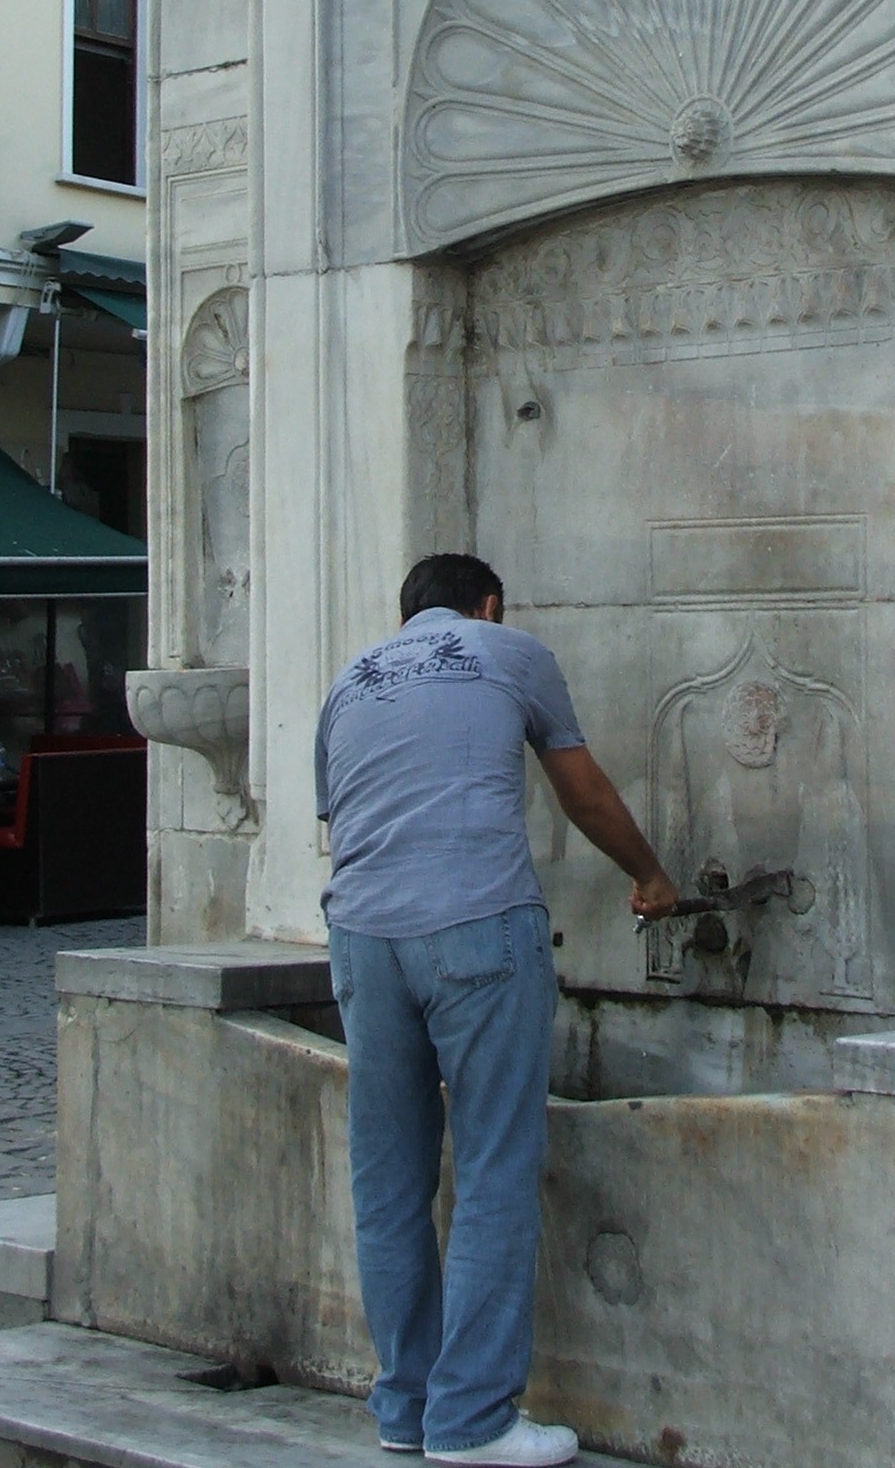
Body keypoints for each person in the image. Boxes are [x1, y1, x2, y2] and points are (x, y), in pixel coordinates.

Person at [315, 553, 678, 1468]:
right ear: (485, 605)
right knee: (492, 1166)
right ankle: (472, 1419)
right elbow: (583, 791)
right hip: (477, 928)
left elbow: (347, 815)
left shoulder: (348, 683)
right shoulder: (510, 651)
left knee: (388, 1178)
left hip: (361, 938)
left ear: (407, 616)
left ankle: (404, 1407)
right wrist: (649, 875)